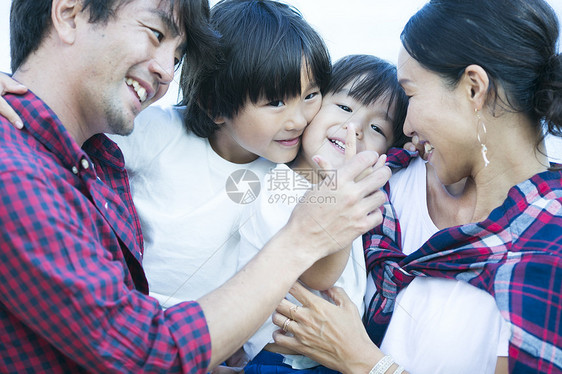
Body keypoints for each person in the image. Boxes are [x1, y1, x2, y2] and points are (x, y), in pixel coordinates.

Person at [0, 0, 391, 372]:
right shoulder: (21, 175)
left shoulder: (96, 156)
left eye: (177, 55)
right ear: (68, 14)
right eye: (155, 33)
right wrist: (301, 238)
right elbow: (145, 354)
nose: (169, 73)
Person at [268, 0, 562, 373]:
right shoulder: (384, 175)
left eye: (411, 94)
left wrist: (362, 362)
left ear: (474, 89)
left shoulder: (549, 252)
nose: (405, 127)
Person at [108, 0, 331, 310]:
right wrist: (16, 87)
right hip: (135, 314)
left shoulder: (290, 173)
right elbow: (70, 131)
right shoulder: (159, 132)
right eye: (276, 102)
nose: (298, 120)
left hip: (216, 332)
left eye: (310, 96)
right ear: (215, 107)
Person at [237, 54, 408, 373]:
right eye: (344, 107)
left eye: (376, 127)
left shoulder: (355, 194)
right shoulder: (279, 183)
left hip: (330, 358)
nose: (354, 128)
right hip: (284, 360)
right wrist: (339, 201)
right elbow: (317, 275)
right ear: (311, 107)